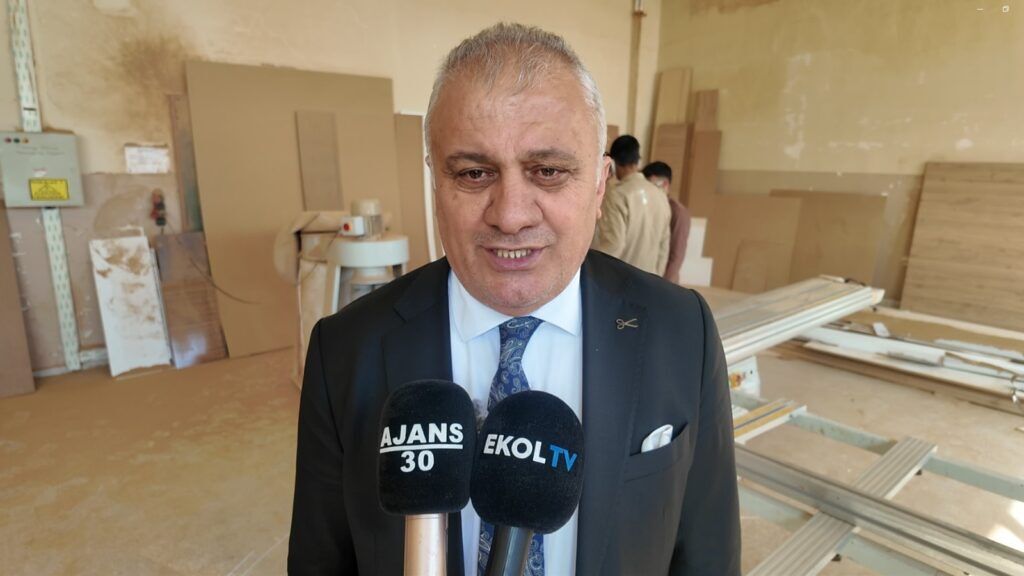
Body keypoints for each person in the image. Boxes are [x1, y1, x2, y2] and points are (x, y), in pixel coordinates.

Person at [288, 22, 740, 576]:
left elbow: (708, 553)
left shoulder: (683, 329)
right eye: (474, 173)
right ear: (436, 184)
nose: (510, 215)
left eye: (548, 172)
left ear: (600, 185)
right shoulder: (344, 351)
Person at [593, 135, 672, 276]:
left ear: (613, 162)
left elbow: (613, 244)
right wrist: (657, 280)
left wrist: (593, 273)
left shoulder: (617, 195)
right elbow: (664, 247)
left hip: (622, 281)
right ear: (637, 160)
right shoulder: (660, 196)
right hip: (649, 281)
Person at [643, 161, 691, 284]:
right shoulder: (648, 206)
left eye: (652, 186)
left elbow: (676, 255)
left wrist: (664, 285)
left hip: (663, 281)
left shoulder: (678, 212)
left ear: (665, 184)